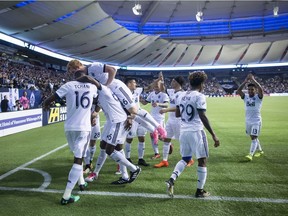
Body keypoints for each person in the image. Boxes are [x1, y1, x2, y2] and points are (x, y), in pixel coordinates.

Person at [67, 60, 167, 141]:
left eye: (73, 71)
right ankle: (153, 129)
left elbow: (112, 70)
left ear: (77, 67)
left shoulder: (92, 67)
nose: (74, 74)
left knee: (134, 110)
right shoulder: (87, 78)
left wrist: (106, 85)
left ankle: (158, 127)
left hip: (116, 87)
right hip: (108, 93)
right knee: (128, 113)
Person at [75, 71, 142, 185]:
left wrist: (80, 79)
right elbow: (99, 104)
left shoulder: (104, 88)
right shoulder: (100, 93)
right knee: (106, 146)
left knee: (110, 150)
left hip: (118, 121)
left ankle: (134, 169)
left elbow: (93, 81)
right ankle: (104, 173)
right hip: (111, 121)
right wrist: (94, 114)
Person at [43, 70, 98, 205]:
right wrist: (94, 115)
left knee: (77, 157)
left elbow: (51, 98)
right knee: (78, 160)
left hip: (69, 128)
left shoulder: (68, 85)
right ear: (86, 76)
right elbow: (97, 101)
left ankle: (81, 182)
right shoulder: (92, 87)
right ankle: (66, 196)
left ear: (74, 77)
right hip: (83, 128)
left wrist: (45, 104)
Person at [165, 71, 220, 198]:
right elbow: (202, 116)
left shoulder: (181, 95)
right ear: (201, 84)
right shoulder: (199, 96)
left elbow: (178, 114)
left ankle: (172, 179)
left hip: (183, 131)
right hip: (196, 131)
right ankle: (199, 191)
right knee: (202, 160)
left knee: (185, 158)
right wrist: (213, 135)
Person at [154, 76, 194, 168]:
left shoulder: (182, 94)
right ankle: (164, 161)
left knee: (183, 141)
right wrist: (160, 79)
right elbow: (162, 88)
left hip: (179, 121)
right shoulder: (172, 91)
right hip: (170, 121)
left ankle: (190, 159)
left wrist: (166, 110)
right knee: (166, 139)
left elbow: (179, 108)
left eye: (173, 81)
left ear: (177, 83)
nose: (171, 82)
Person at [236, 73, 264, 161]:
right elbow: (239, 91)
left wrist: (253, 80)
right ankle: (260, 150)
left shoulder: (258, 97)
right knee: (253, 136)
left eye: (252, 89)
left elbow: (261, 89)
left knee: (253, 137)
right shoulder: (246, 97)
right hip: (248, 121)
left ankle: (250, 154)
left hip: (256, 121)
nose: (250, 91)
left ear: (255, 90)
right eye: (249, 90)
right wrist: (245, 81)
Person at [141, 77, 169, 159]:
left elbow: (166, 105)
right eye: (155, 85)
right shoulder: (152, 94)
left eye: (158, 85)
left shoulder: (164, 95)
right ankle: (156, 153)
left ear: (161, 86)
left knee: (161, 137)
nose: (156, 86)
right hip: (152, 117)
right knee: (152, 135)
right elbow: (145, 102)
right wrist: (140, 99)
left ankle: (169, 144)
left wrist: (158, 104)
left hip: (160, 118)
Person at [123, 78, 149, 166]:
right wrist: (129, 117)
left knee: (142, 138)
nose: (136, 84)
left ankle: (141, 159)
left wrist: (158, 80)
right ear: (129, 84)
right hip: (131, 118)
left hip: (140, 117)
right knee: (129, 138)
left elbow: (149, 87)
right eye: (134, 82)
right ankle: (127, 158)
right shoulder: (124, 93)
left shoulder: (137, 90)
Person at [83, 107, 101, 174]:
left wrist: (94, 116)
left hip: (95, 119)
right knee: (85, 143)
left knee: (93, 142)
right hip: (84, 119)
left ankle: (90, 162)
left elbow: (98, 106)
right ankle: (87, 164)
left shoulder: (97, 96)